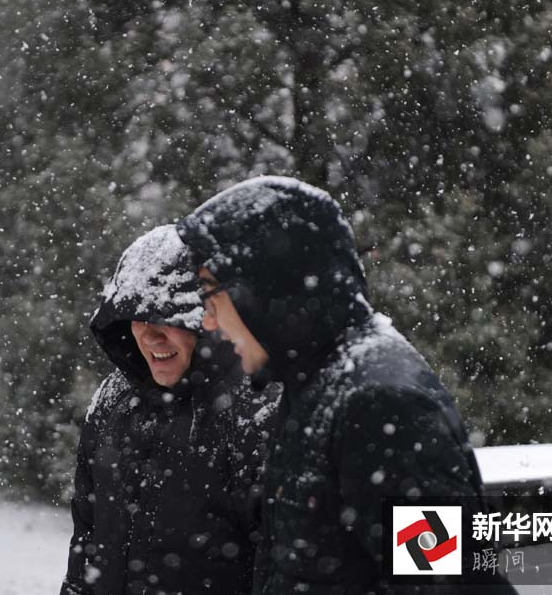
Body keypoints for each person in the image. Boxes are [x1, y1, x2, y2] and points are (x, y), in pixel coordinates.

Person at [177, 176, 516, 594]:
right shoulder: (316, 384)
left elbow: (445, 585)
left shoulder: (378, 403)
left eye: (212, 295)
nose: (207, 321)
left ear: (266, 286)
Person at [60, 225, 279, 595]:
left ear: (209, 320)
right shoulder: (113, 400)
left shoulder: (256, 414)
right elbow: (87, 535)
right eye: (137, 316)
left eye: (168, 319)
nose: (150, 335)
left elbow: (279, 564)